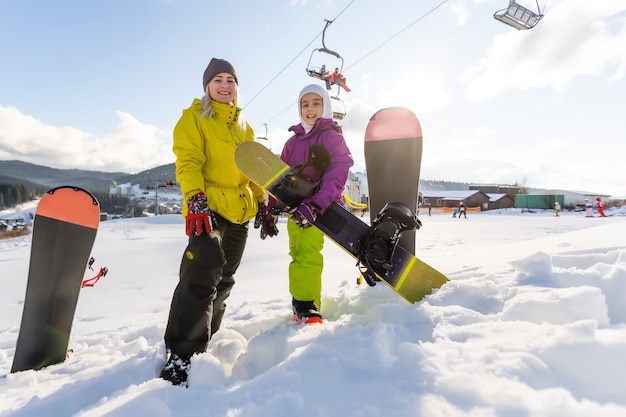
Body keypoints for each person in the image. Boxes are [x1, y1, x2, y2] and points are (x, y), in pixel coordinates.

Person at [160, 58, 266, 386]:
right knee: (201, 270)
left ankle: (206, 335)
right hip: (207, 207)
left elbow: (253, 169)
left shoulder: (244, 127)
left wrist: (263, 202)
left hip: (239, 211)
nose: (224, 85)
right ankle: (182, 353)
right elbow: (189, 160)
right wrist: (195, 197)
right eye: (217, 79)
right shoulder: (193, 119)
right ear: (207, 86)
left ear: (236, 87)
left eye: (230, 80)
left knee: (225, 279)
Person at [257, 84, 353, 324]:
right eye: (305, 104)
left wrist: (315, 206)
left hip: (321, 210)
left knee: (308, 253)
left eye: (316, 103)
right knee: (297, 253)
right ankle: (303, 302)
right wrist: (271, 210)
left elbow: (337, 174)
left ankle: (306, 304)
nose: (310, 109)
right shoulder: (292, 142)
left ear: (326, 106)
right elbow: (279, 179)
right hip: (295, 209)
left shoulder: (333, 137)